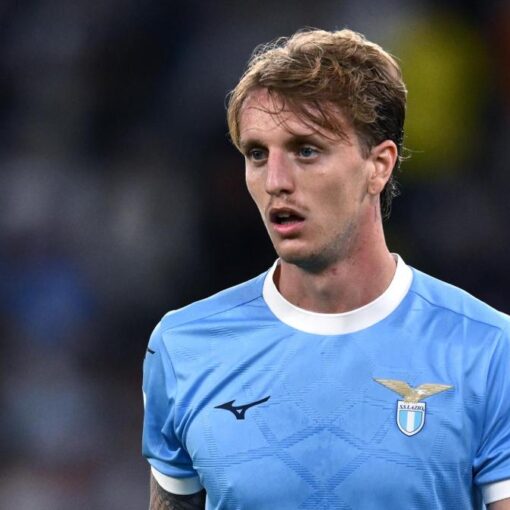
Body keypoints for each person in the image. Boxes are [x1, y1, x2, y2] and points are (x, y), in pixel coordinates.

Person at [142, 28, 510, 509]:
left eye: (306, 150)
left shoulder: (487, 349)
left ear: (379, 166)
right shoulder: (185, 346)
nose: (276, 181)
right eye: (257, 154)